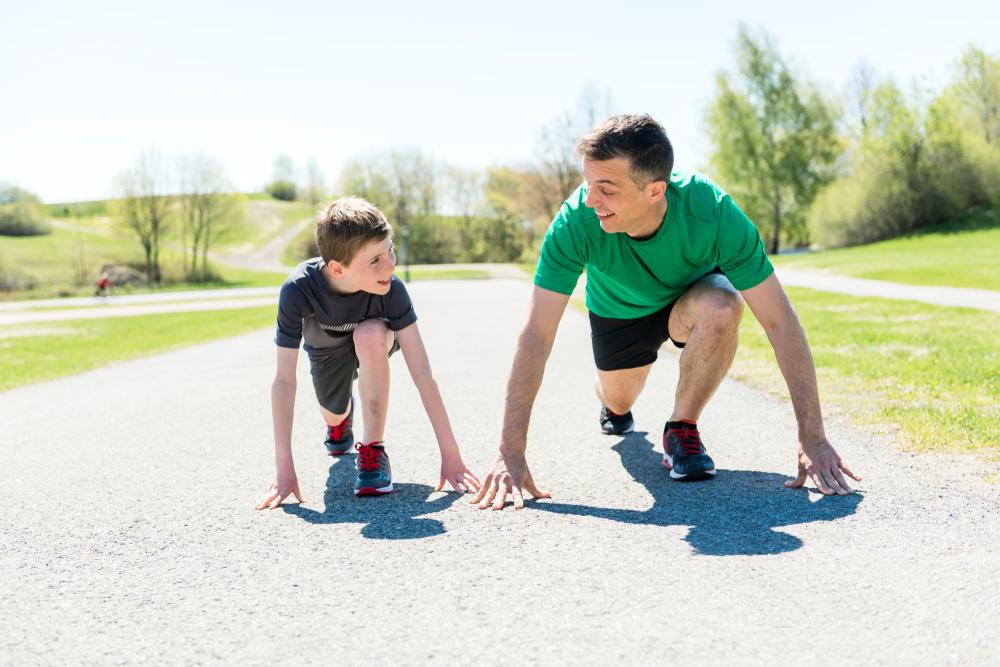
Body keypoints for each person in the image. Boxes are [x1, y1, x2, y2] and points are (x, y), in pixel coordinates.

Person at [472, 114, 861, 512]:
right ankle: (610, 402)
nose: (590, 200)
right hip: (619, 313)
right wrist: (510, 451)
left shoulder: (713, 213)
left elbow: (780, 321)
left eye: (606, 189)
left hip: (690, 298)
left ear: (655, 189)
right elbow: (537, 333)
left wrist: (812, 436)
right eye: (589, 185)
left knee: (724, 304)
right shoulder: (575, 222)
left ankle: (682, 428)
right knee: (620, 401)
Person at [255, 197, 480, 509]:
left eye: (389, 250)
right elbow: (283, 380)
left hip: (373, 337)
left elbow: (422, 372)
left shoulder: (391, 289)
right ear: (337, 268)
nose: (389, 265)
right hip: (326, 346)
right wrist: (283, 469)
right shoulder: (298, 290)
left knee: (370, 332)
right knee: (332, 411)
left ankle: (373, 451)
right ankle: (340, 418)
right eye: (375, 260)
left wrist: (451, 455)